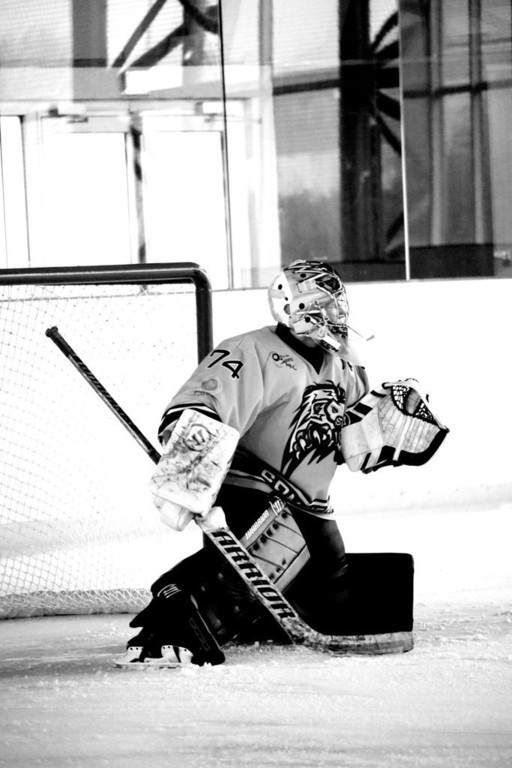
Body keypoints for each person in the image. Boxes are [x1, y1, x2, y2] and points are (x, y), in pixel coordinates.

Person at [114, 260, 415, 668]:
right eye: (322, 304)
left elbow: (348, 440)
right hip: (251, 493)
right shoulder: (250, 351)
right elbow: (199, 407)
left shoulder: (344, 363)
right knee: (252, 572)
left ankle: (257, 619)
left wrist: (387, 433)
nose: (334, 314)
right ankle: (166, 629)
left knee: (333, 595)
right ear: (294, 308)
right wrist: (185, 474)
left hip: (311, 504)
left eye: (336, 304)